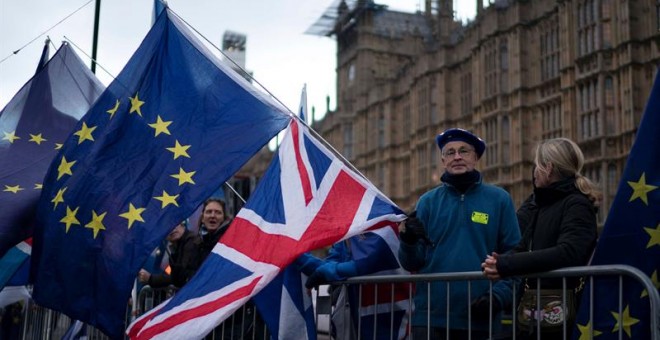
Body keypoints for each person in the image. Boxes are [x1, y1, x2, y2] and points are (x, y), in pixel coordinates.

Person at [398, 128, 521, 340]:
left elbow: (514, 257)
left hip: (482, 317)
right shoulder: (428, 201)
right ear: (443, 160)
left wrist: (497, 298)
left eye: (464, 151)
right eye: (450, 152)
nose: (457, 156)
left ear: (476, 157)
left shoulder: (499, 200)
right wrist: (408, 241)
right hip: (431, 318)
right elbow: (413, 262)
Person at [481, 137, 599, 338]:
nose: (533, 173)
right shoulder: (542, 204)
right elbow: (523, 244)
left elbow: (569, 252)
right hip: (533, 308)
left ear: (549, 168)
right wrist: (496, 261)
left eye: (536, 166)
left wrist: (507, 264)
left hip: (561, 310)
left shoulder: (576, 204)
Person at [297, 229, 411, 340]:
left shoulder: (384, 226)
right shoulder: (350, 232)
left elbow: (366, 262)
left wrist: (324, 272)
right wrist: (295, 255)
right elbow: (329, 266)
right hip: (362, 317)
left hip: (392, 316)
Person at [138, 220, 200, 289]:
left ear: (182, 224)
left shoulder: (191, 242)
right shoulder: (177, 246)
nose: (172, 230)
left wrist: (151, 279)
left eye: (174, 224)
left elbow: (181, 277)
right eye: (166, 228)